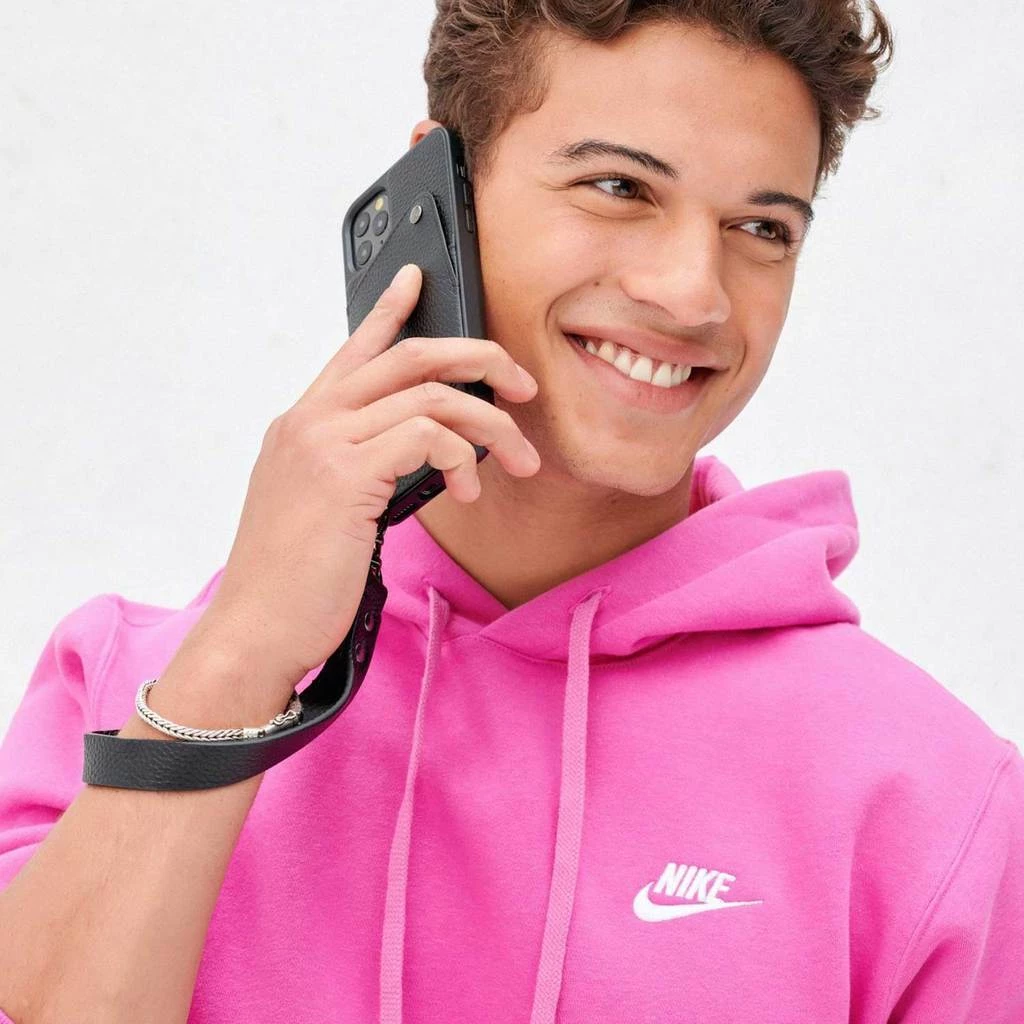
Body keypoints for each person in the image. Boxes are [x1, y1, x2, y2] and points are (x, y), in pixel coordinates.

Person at [1, 1, 1021, 1021]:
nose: (693, 294)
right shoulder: (127, 697)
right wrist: (239, 659)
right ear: (441, 192)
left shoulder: (934, 801)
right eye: (619, 186)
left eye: (761, 228)